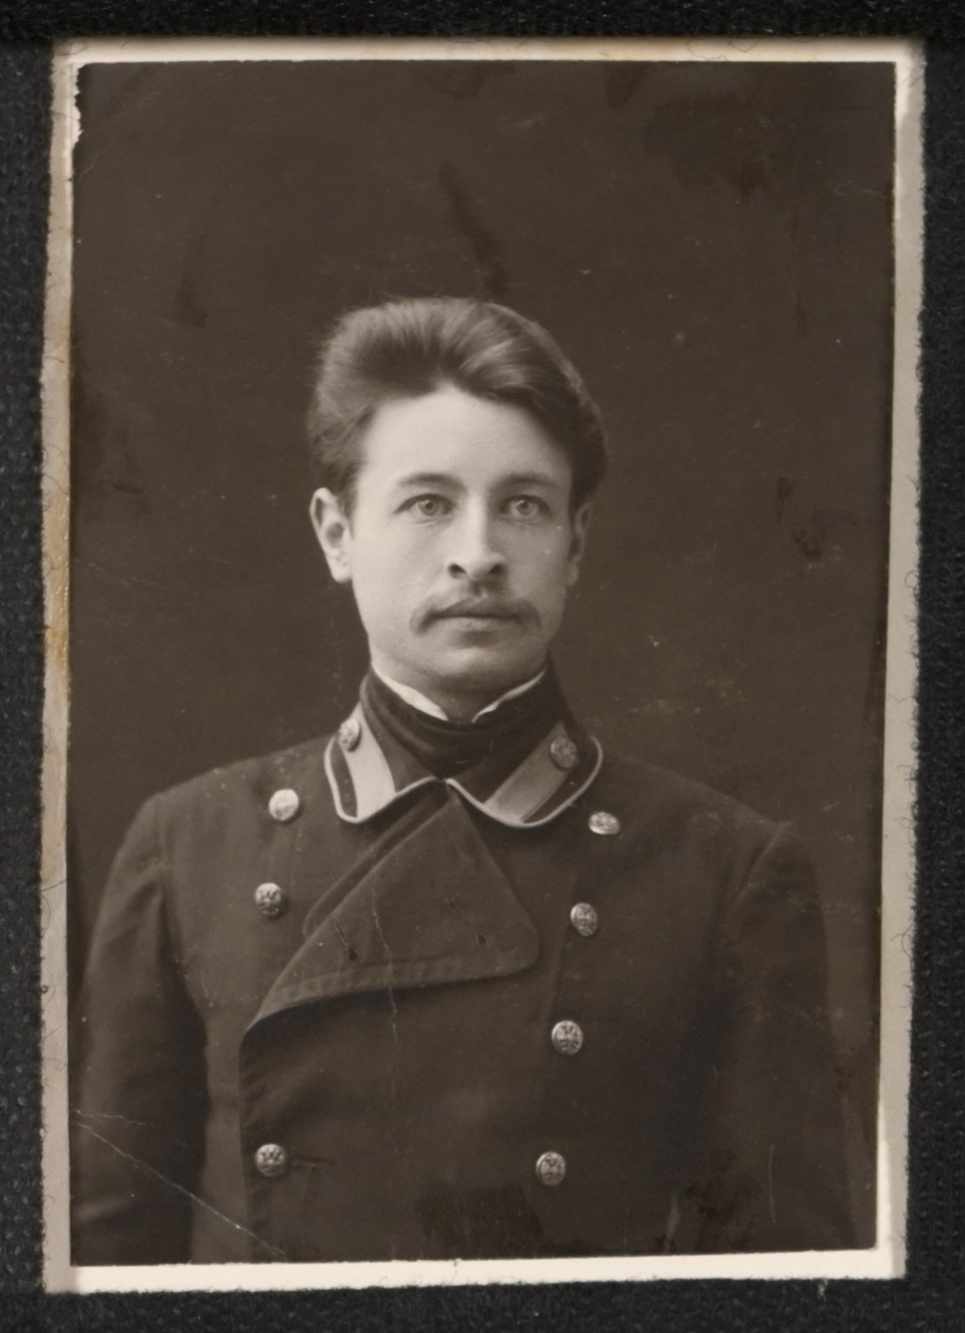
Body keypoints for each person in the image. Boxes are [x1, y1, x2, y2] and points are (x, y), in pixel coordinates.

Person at [71, 297, 855, 1265]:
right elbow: (104, 1259)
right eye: (427, 502)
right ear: (335, 533)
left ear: (573, 543)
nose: (477, 554)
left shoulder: (724, 870)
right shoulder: (185, 848)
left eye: (522, 505)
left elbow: (782, 1276)